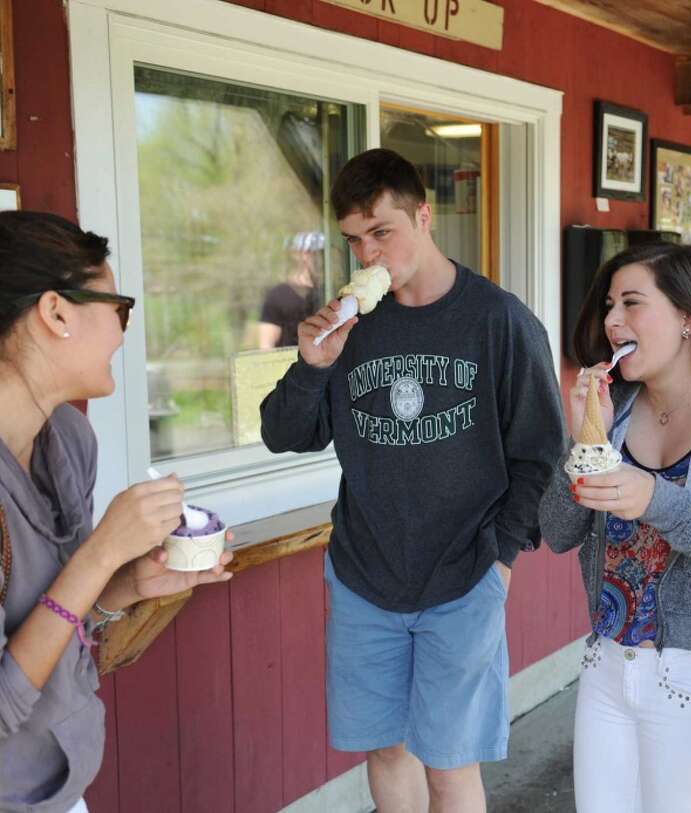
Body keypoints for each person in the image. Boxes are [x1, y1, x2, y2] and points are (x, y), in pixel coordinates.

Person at [259, 148, 563, 813]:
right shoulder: (351, 325)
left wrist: (502, 562)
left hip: (464, 576)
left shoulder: (500, 321)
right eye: (354, 240)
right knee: (386, 751)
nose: (368, 253)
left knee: (450, 766)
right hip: (366, 576)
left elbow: (541, 453)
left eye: (382, 231)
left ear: (424, 216)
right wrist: (313, 364)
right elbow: (285, 432)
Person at [0, 211, 233, 813]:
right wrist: (103, 551)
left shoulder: (70, 441)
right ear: (55, 313)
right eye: (118, 309)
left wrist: (125, 585)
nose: (123, 333)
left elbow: (63, 625)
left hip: (63, 789)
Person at [538, 242, 691, 813]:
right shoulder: (612, 409)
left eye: (633, 304)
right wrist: (582, 442)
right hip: (608, 665)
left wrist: (655, 500)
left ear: (688, 316)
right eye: (610, 305)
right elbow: (557, 531)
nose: (613, 320)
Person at [257, 231, 324, 349]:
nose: (318, 257)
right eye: (311, 252)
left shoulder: (332, 290)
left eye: (322, 252)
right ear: (296, 254)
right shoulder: (278, 295)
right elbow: (266, 347)